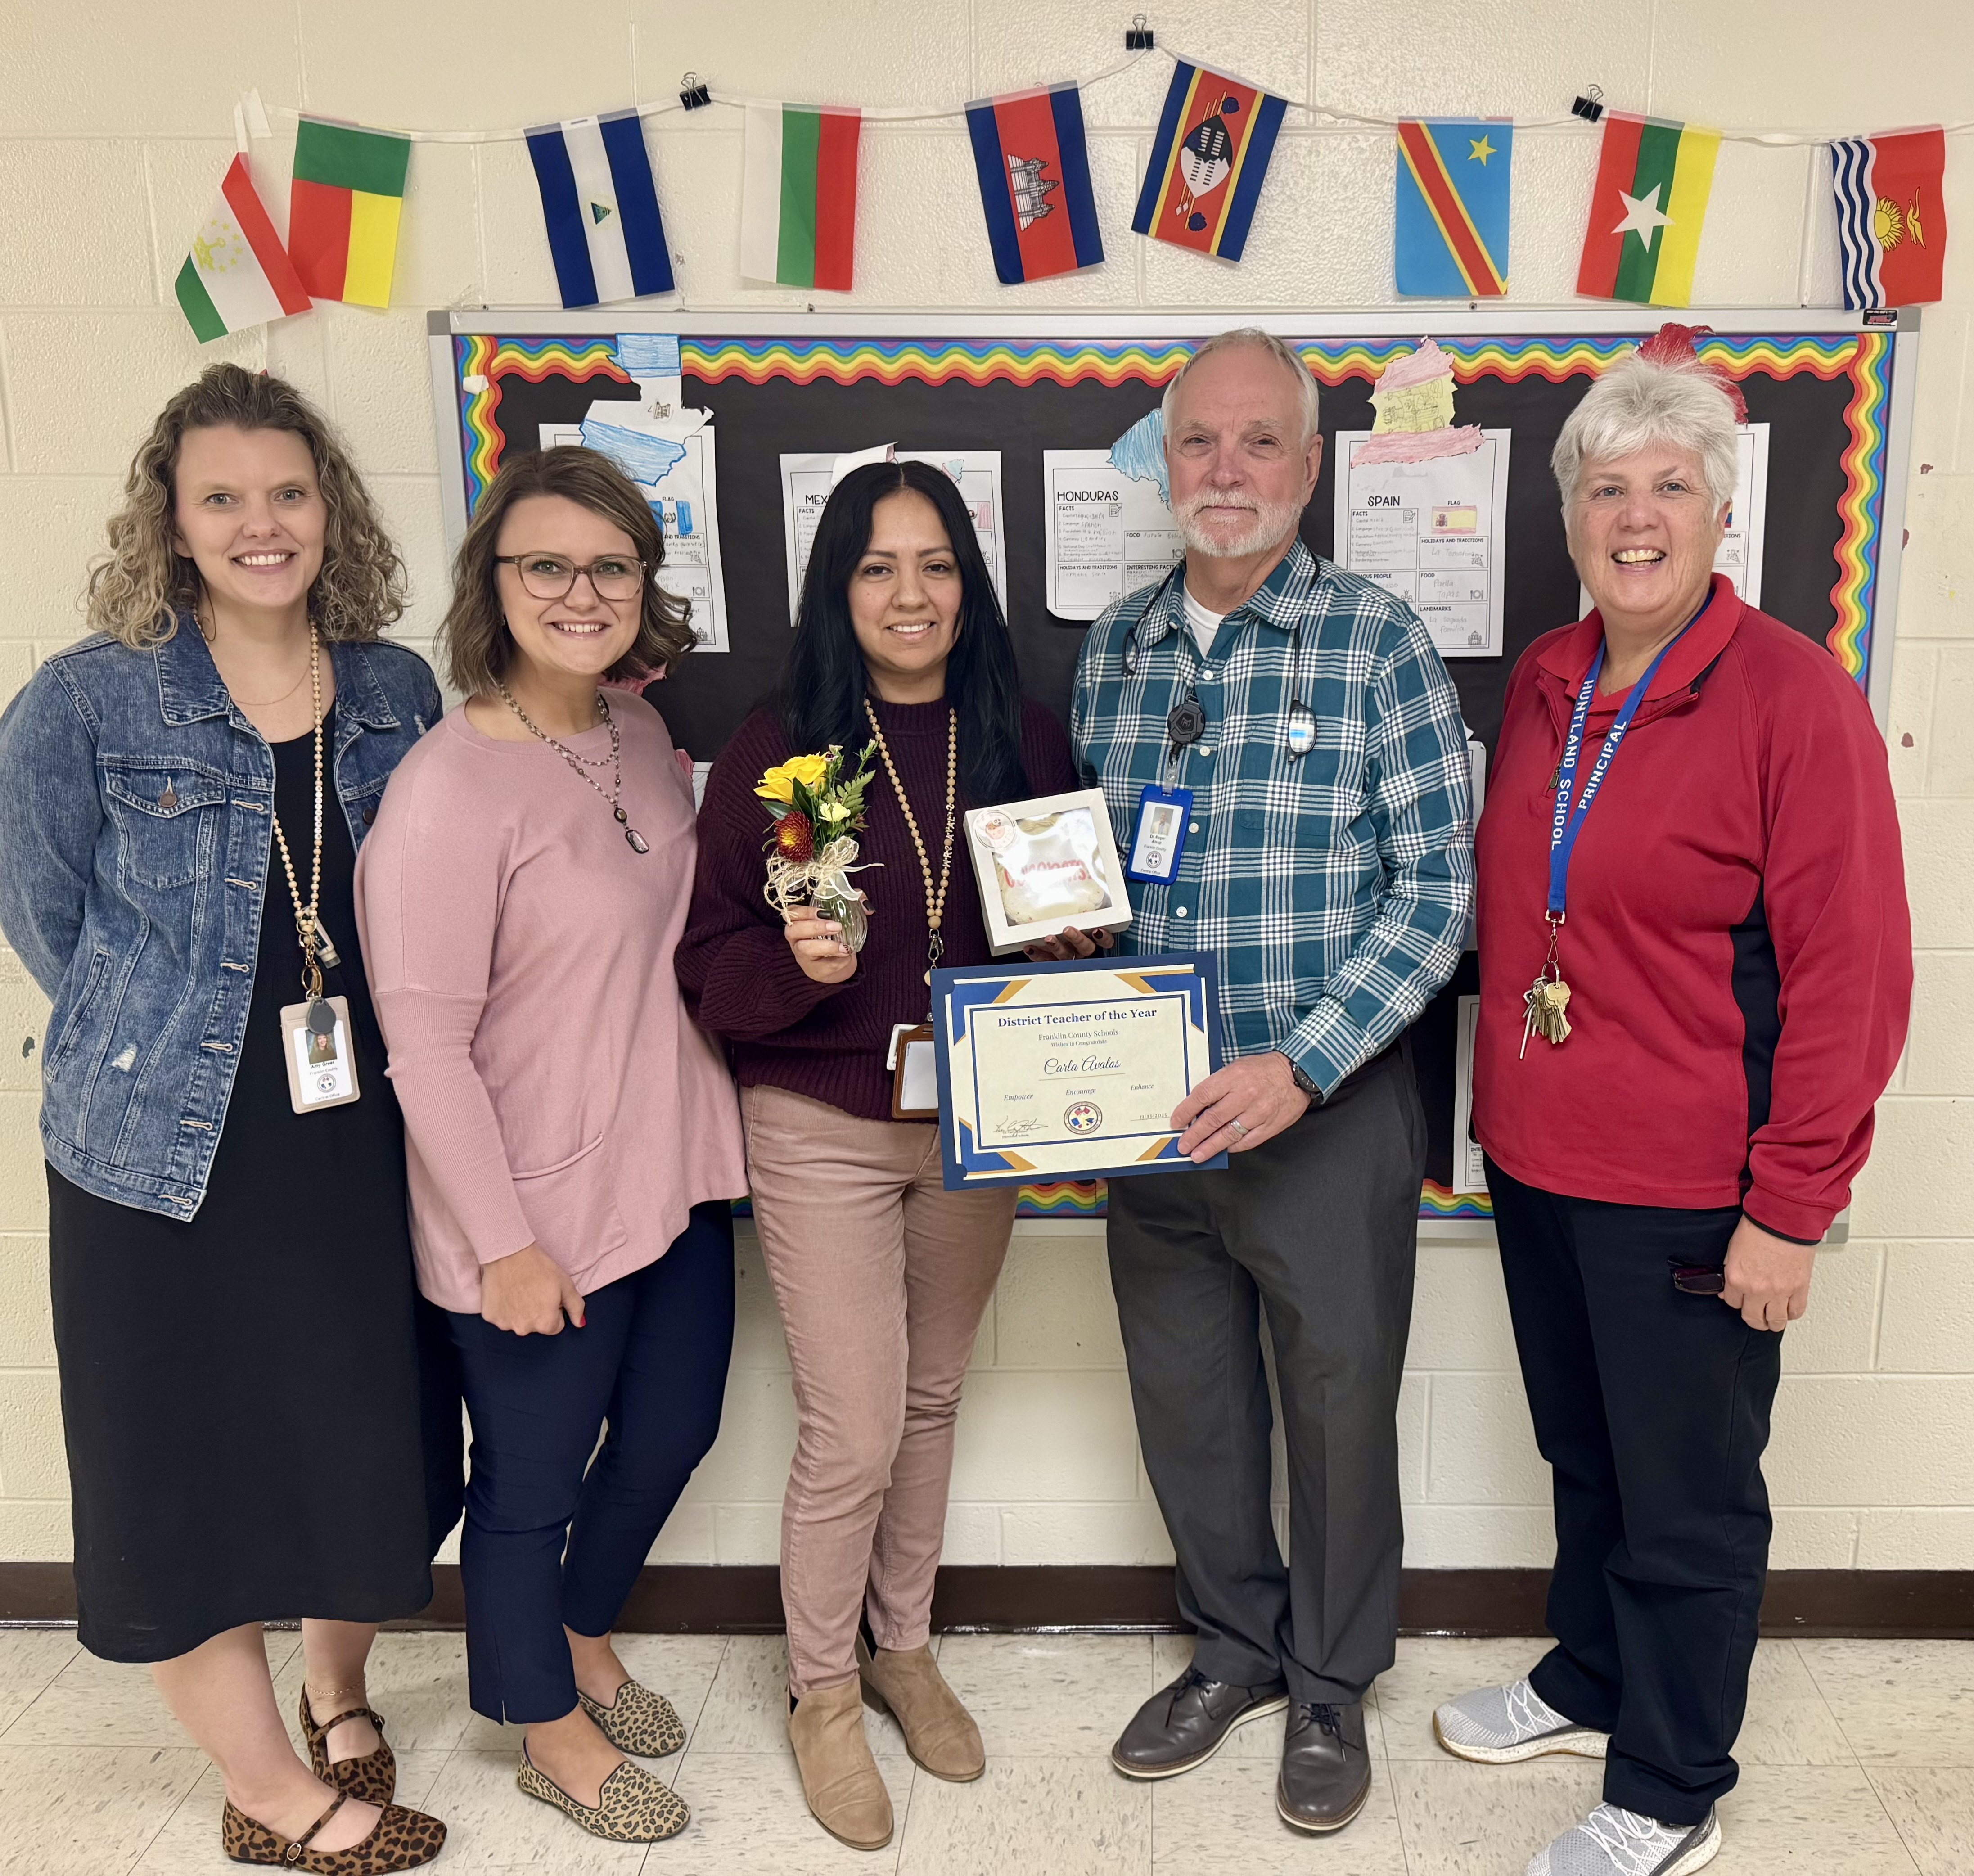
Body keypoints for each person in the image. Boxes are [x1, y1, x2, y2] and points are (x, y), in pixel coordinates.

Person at [1434, 331, 1911, 1876]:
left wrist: (1791, 1210)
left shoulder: (1791, 699)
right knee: (1585, 1455)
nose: (1632, 516)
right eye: (1604, 488)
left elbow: (1850, 980)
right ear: (1569, 516)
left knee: (1688, 1495)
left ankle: (1667, 1780)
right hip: (1540, 1163)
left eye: (1667, 486)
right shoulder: (1550, 679)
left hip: (1697, 1190)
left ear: (1720, 513)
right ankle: (1588, 1676)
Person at [0, 364, 457, 1872]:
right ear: (172, 523)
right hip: (158, 1156)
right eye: (223, 499)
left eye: (287, 492)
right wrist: (166, 1042)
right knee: (176, 1469)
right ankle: (272, 1795)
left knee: (352, 1436)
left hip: (349, 1136)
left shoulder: (392, 687)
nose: (261, 524)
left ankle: (338, 1697)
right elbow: (49, 918)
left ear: (330, 508)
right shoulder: (88, 696)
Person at [1071, 329, 1473, 1834]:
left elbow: (1436, 895)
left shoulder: (1379, 644)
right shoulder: (1112, 649)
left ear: (1310, 469)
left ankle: (1328, 1681)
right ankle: (1230, 1649)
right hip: (1150, 1121)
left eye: (1259, 444)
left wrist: (1298, 1067)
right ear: (1162, 461)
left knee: (1337, 1404)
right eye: (1198, 443)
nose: (1225, 471)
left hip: (1322, 1113)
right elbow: (1083, 887)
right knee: (1188, 1407)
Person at [677, 459, 1091, 1852]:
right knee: (850, 1424)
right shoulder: (776, 749)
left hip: (979, 1121)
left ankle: (901, 1648)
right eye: (876, 567)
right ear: (835, 590)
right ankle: (818, 1693)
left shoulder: (1025, 735)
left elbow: (1061, 933)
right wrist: (797, 972)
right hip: (821, 1123)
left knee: (925, 1400)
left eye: (934, 566)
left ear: (969, 586)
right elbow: (706, 968)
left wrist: (1078, 949)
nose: (909, 594)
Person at [354, 446, 745, 1846]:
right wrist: (505, 1246)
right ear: (494, 586)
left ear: (644, 584)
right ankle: (545, 1725)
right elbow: (426, 1049)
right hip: (528, 1208)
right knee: (526, 1488)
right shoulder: (448, 793)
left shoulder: (638, 732)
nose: (582, 593)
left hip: (674, 1173)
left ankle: (577, 1633)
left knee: (672, 1432)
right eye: (546, 566)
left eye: (611, 566)